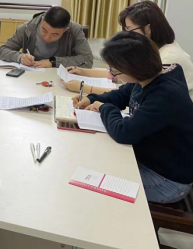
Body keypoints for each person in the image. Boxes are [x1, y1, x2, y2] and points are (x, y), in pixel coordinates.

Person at [74, 32, 193, 204]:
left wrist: (103, 107)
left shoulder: (165, 95)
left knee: (92, 181)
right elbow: (121, 95)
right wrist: (92, 99)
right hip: (151, 159)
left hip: (167, 181)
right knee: (94, 161)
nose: (114, 75)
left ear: (134, 69)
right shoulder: (148, 77)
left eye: (115, 71)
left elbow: (124, 132)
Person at [64, 1, 193, 99]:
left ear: (148, 29)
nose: (128, 35)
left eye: (130, 30)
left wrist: (85, 88)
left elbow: (132, 92)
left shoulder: (168, 57)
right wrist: (83, 71)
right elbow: (119, 74)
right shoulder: (152, 49)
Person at [0, 6, 93, 69]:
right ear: (42, 20)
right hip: (30, 76)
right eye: (44, 30)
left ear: (65, 30)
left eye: (54, 34)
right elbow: (2, 50)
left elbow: (87, 60)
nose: (47, 37)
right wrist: (20, 57)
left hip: (59, 76)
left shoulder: (74, 30)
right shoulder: (28, 28)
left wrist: (53, 62)